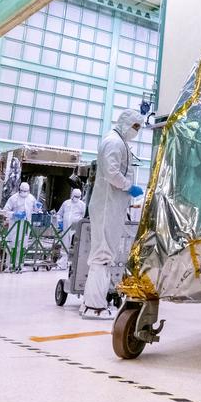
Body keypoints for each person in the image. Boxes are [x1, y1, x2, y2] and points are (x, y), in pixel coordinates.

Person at [82, 109, 145, 318]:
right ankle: (94, 306)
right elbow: (111, 172)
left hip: (112, 205)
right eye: (135, 126)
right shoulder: (114, 142)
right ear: (125, 122)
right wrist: (129, 186)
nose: (136, 131)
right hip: (107, 205)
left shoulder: (119, 142)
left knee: (105, 253)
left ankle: (95, 302)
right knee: (102, 253)